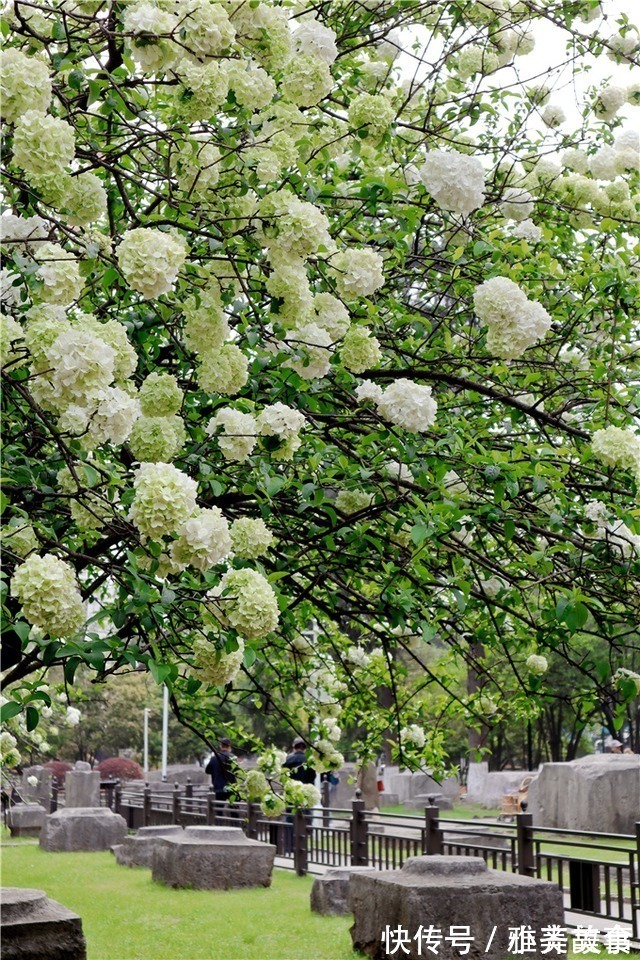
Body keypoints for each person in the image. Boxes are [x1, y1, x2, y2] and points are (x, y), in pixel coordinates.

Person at [283, 738, 315, 853]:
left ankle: (288, 846)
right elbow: (312, 777)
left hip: (291, 793)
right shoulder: (309, 761)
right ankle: (302, 846)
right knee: (304, 819)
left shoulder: (288, 760)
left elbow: (283, 777)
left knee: (289, 819)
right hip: (305, 793)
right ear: (304, 749)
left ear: (293, 747)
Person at [205, 738, 237, 804]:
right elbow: (237, 772)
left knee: (218, 809)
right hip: (231, 787)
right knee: (234, 809)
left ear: (220, 746)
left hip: (218, 788)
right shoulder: (233, 757)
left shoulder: (214, 758)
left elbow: (207, 771)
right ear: (229, 746)